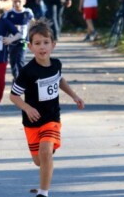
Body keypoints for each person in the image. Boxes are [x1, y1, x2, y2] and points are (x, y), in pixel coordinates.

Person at [9, 19, 85, 197]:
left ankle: (43, 193)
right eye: (37, 43)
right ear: (30, 47)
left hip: (51, 118)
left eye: (46, 42)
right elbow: (13, 96)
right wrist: (27, 108)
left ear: (53, 45)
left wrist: (74, 96)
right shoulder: (27, 72)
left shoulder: (56, 64)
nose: (42, 47)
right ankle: (47, 155)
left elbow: (59, 80)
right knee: (38, 160)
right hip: (32, 121)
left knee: (45, 152)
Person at [0, 8, 20, 112]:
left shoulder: (5, 22)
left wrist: (10, 39)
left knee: (0, 82)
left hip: (0, 58)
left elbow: (18, 34)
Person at [4, 0, 34, 81]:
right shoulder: (9, 13)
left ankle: (22, 79)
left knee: (20, 60)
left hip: (23, 42)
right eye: (15, 2)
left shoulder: (27, 12)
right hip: (12, 42)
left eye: (19, 2)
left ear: (24, 1)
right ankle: (16, 77)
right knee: (13, 62)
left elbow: (34, 24)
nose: (17, 4)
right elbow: (3, 25)